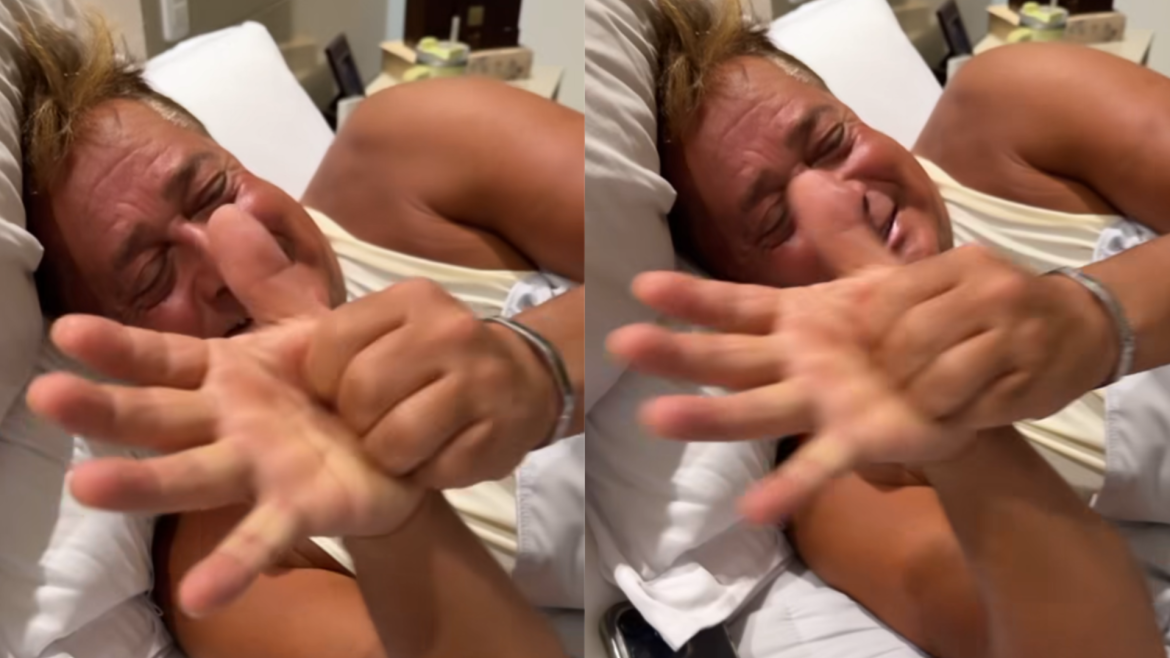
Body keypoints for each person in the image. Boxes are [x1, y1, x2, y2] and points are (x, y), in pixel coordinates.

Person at [610, 0, 1170, 656]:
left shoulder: (1015, 111)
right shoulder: (846, 486)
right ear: (735, 281)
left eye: (832, 142)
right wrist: (963, 440)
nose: (843, 200)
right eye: (775, 221)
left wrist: (1093, 318)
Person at [16, 11, 581, 658]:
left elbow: (663, 256)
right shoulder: (237, 562)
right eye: (150, 275)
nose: (224, 254)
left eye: (213, 191)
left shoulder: (412, 145)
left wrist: (537, 364)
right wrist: (398, 526)